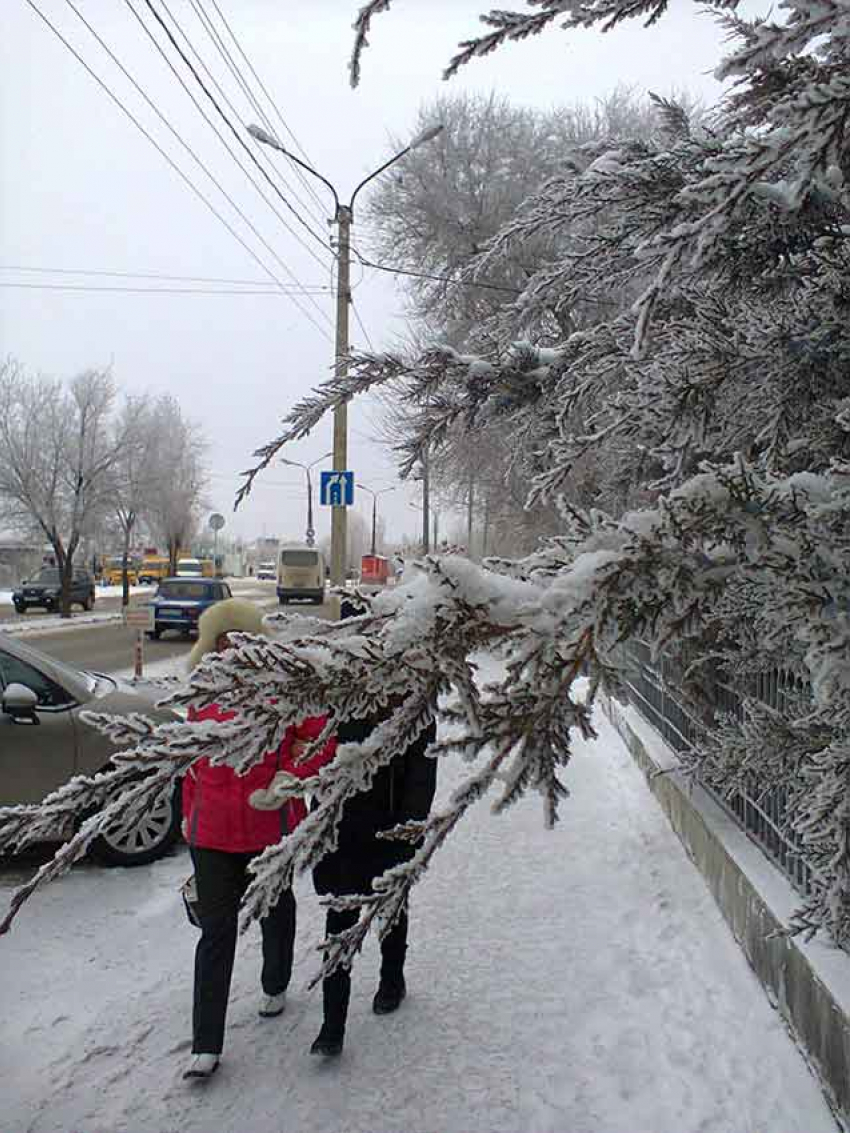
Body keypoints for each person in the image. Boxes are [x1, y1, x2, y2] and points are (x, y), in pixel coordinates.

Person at [181, 598, 335, 1080]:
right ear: (212, 647)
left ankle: (275, 981)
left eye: (240, 640)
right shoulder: (201, 695)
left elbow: (321, 739)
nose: (230, 649)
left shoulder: (281, 692)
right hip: (211, 835)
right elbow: (190, 762)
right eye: (222, 642)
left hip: (269, 827)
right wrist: (190, 816)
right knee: (215, 932)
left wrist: (287, 780)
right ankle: (205, 1044)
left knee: (275, 908)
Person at [308, 598, 438, 1058]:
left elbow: (423, 768)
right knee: (338, 921)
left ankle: (391, 978)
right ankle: (332, 1025)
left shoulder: (411, 693)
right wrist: (317, 828)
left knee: (391, 912)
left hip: (389, 825)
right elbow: (318, 766)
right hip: (344, 831)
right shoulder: (335, 696)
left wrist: (410, 828)